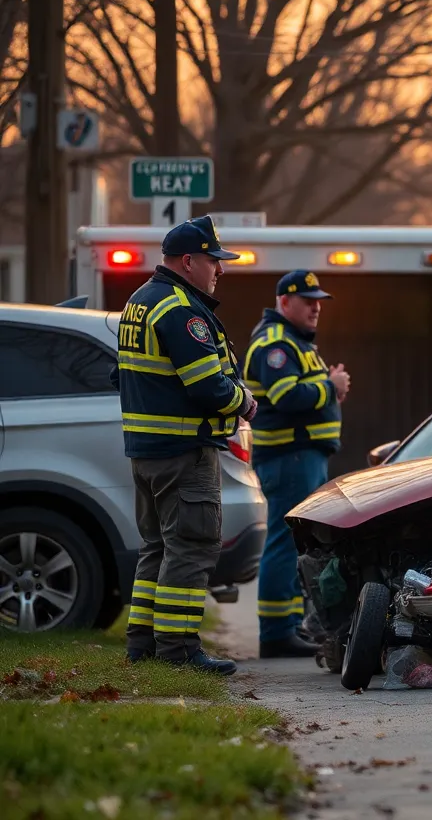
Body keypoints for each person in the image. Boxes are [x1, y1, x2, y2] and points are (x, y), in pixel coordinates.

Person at [114, 215, 253, 675]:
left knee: (156, 548)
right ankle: (178, 651)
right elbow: (208, 387)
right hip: (183, 453)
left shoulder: (139, 301)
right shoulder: (181, 310)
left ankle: (142, 645)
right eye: (214, 261)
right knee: (191, 548)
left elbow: (121, 375)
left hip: (146, 453)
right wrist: (245, 402)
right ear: (189, 261)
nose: (220, 270)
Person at [242, 270, 350, 658]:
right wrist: (331, 387)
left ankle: (289, 628)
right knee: (284, 543)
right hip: (290, 457)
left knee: (295, 545)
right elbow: (286, 396)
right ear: (284, 302)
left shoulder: (293, 341)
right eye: (308, 301)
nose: (316, 308)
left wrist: (327, 387)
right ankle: (275, 633)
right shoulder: (275, 343)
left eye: (318, 301)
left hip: (301, 457)